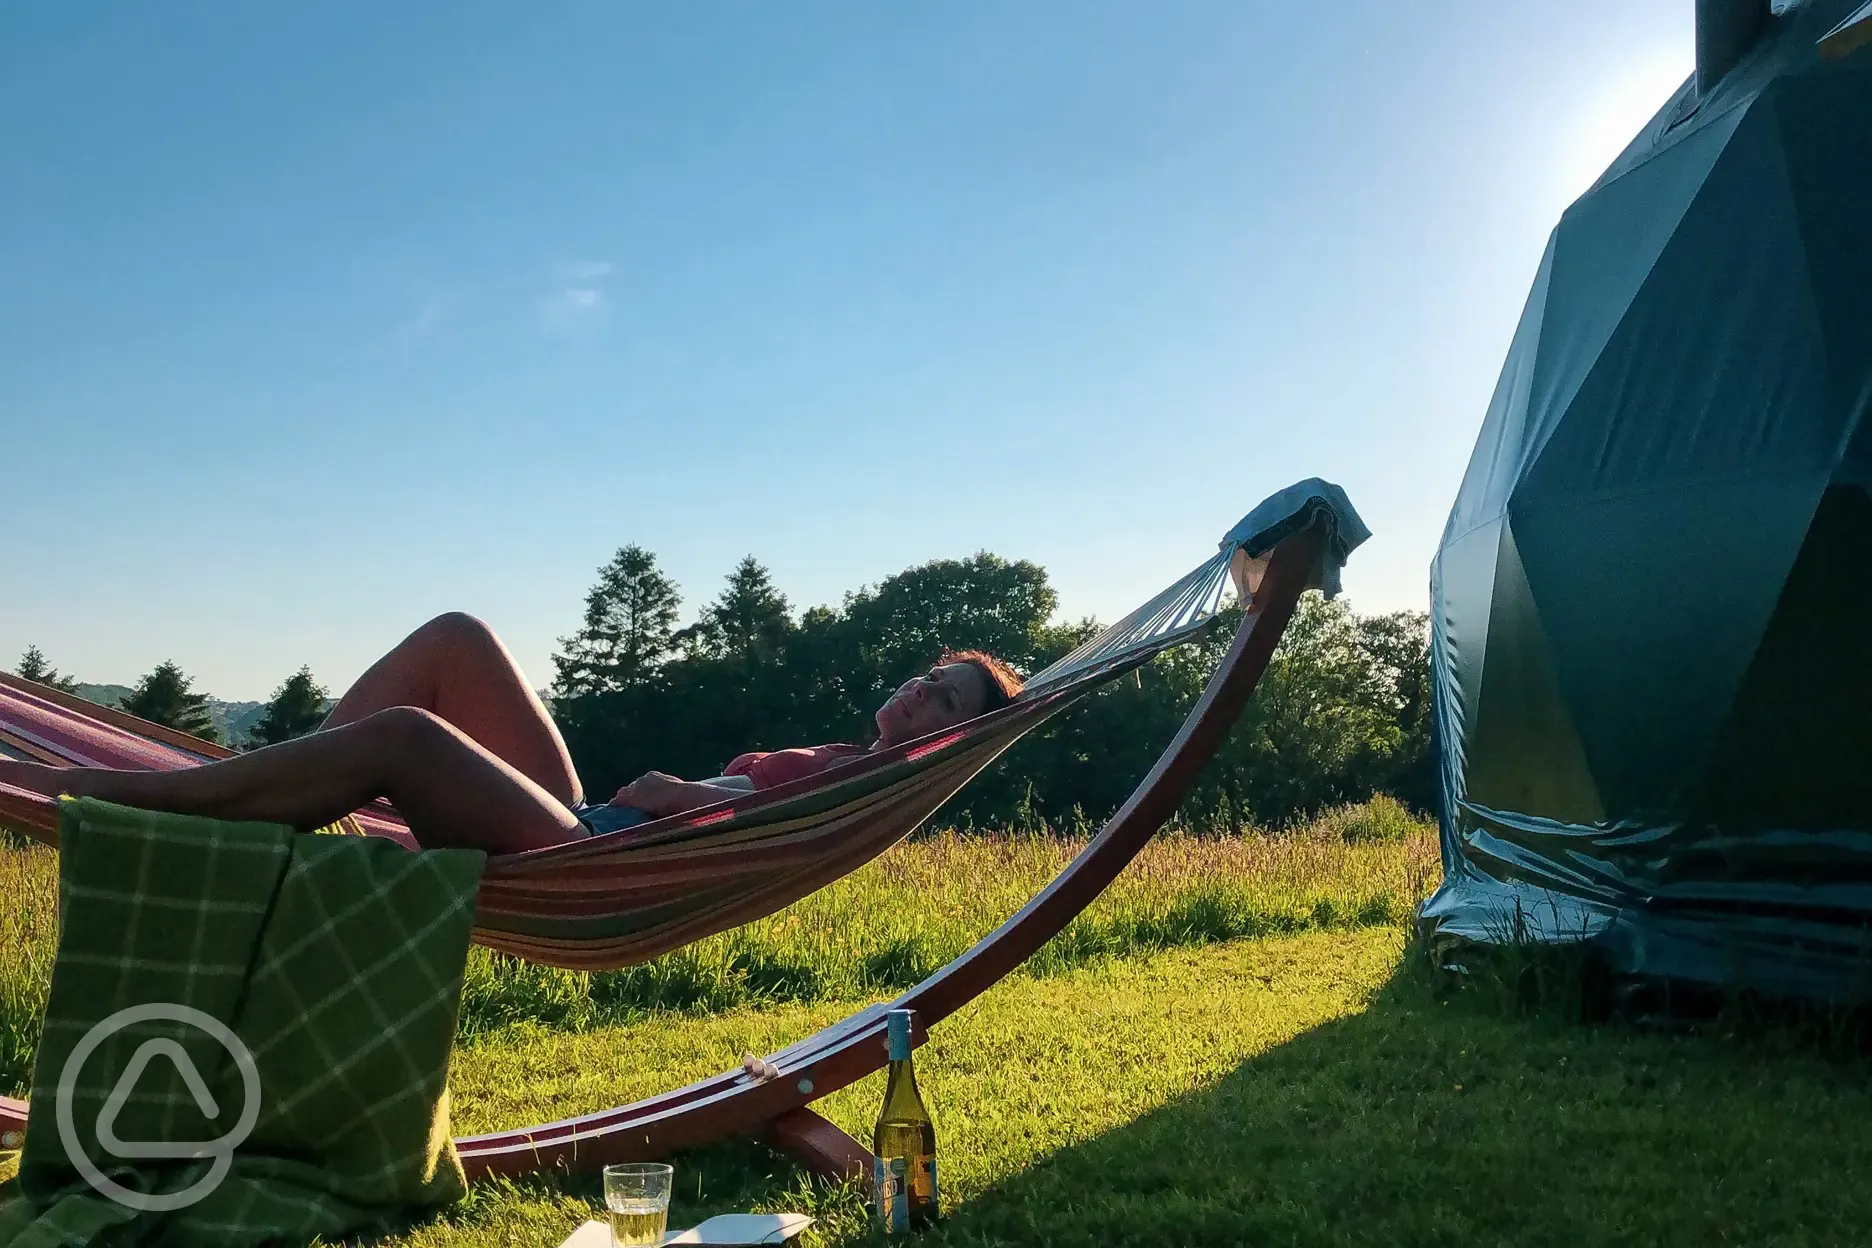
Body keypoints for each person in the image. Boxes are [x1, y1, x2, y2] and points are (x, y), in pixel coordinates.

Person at [0, 612, 1024, 855]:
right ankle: (272, 776)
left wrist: (691, 791)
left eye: (942, 700)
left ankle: (114, 797)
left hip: (593, 858)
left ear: (953, 741)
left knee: (405, 735)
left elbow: (713, 810)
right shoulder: (854, 761)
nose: (914, 694)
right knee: (459, 643)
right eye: (922, 677)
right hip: (592, 821)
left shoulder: (866, 781)